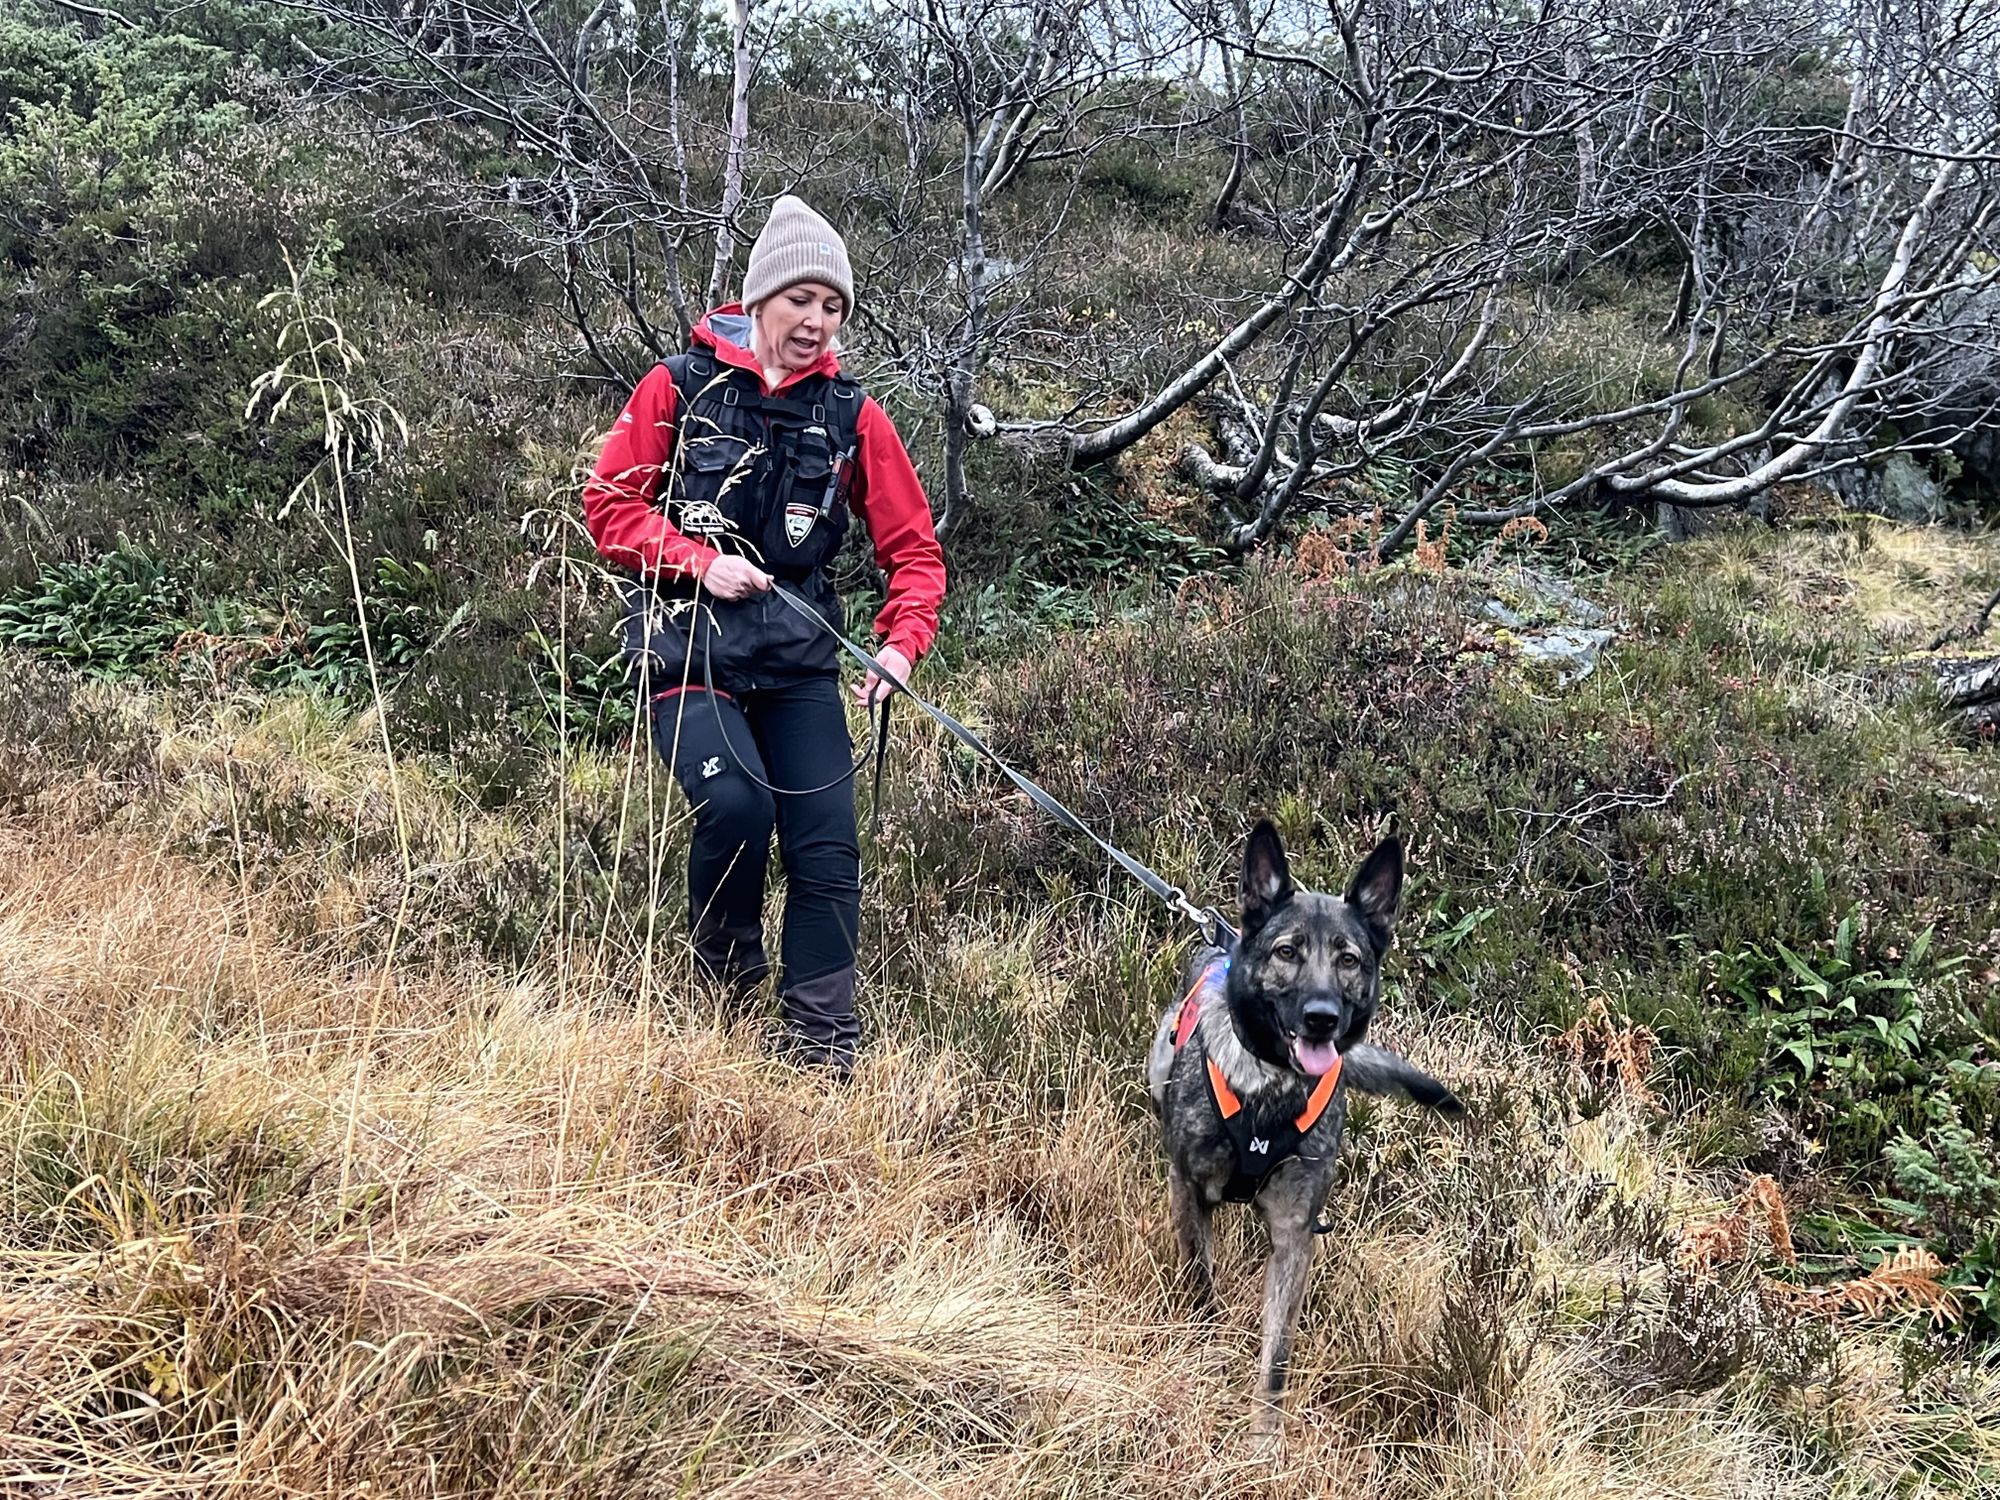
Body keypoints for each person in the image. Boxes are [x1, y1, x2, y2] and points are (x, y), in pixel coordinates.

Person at [582, 196, 946, 1079]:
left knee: (826, 842)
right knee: (738, 808)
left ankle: (821, 1047)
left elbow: (915, 553)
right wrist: (697, 562)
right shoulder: (679, 386)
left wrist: (900, 646)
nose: (817, 322)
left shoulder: (854, 416)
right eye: (800, 301)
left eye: (834, 307)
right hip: (690, 653)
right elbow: (608, 508)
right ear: (758, 301)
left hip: (797, 666)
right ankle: (726, 990)